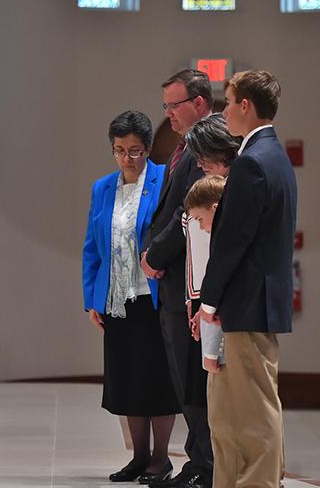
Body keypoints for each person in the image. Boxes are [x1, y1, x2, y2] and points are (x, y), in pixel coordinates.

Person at [196, 70, 295, 487]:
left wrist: (209, 300)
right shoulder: (271, 155)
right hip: (255, 302)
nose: (223, 110)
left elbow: (233, 242)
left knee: (254, 414)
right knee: (234, 412)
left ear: (245, 107)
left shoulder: (254, 162)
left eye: (227, 101)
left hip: (248, 303)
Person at [82, 110, 180, 482]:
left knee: (157, 379)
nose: (128, 158)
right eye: (120, 150)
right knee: (127, 380)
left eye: (135, 151)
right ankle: (138, 456)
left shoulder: (164, 180)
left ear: (148, 149)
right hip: (116, 297)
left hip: (153, 297)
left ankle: (160, 457)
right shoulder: (102, 187)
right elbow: (93, 246)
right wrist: (92, 297)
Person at [140, 69, 213, 488]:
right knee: (182, 378)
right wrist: (152, 249)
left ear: (199, 103)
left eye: (174, 105)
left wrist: (154, 253)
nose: (167, 115)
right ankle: (197, 460)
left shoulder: (205, 145)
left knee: (193, 379)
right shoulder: (183, 147)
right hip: (171, 281)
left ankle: (205, 465)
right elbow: (167, 212)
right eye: (165, 105)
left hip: (187, 280)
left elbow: (188, 214)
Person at [181, 114, 241, 374]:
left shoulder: (234, 193)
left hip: (226, 311)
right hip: (208, 304)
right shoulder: (215, 188)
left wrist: (207, 308)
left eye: (203, 155)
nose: (198, 162)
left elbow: (222, 262)